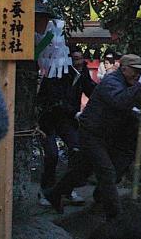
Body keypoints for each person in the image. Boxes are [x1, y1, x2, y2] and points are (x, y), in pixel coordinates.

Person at [45, 54, 141, 217]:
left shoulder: (125, 82)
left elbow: (122, 106)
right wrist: (140, 85)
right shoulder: (112, 81)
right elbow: (118, 101)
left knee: (82, 171)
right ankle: (115, 218)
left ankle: (54, 194)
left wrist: (138, 113)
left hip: (103, 134)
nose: (137, 75)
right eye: (135, 71)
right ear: (124, 68)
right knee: (107, 172)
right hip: (91, 133)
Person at [36, 49, 97, 203]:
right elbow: (54, 99)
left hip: (67, 120)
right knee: (52, 155)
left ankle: (67, 189)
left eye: (81, 58)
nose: (79, 62)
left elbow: (91, 90)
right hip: (49, 119)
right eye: (75, 59)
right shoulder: (56, 72)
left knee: (77, 150)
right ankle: (45, 191)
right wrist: (74, 113)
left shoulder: (82, 72)